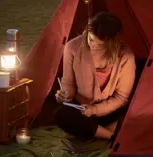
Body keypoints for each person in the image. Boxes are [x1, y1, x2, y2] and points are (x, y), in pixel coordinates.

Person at [54, 11, 136, 141]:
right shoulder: (72, 47)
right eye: (91, 39)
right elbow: (68, 83)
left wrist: (95, 109)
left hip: (109, 111)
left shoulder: (125, 55)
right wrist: (65, 95)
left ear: (112, 42)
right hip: (82, 110)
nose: (93, 46)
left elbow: (121, 98)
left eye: (100, 44)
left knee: (135, 112)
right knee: (61, 114)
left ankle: (94, 131)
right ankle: (111, 136)